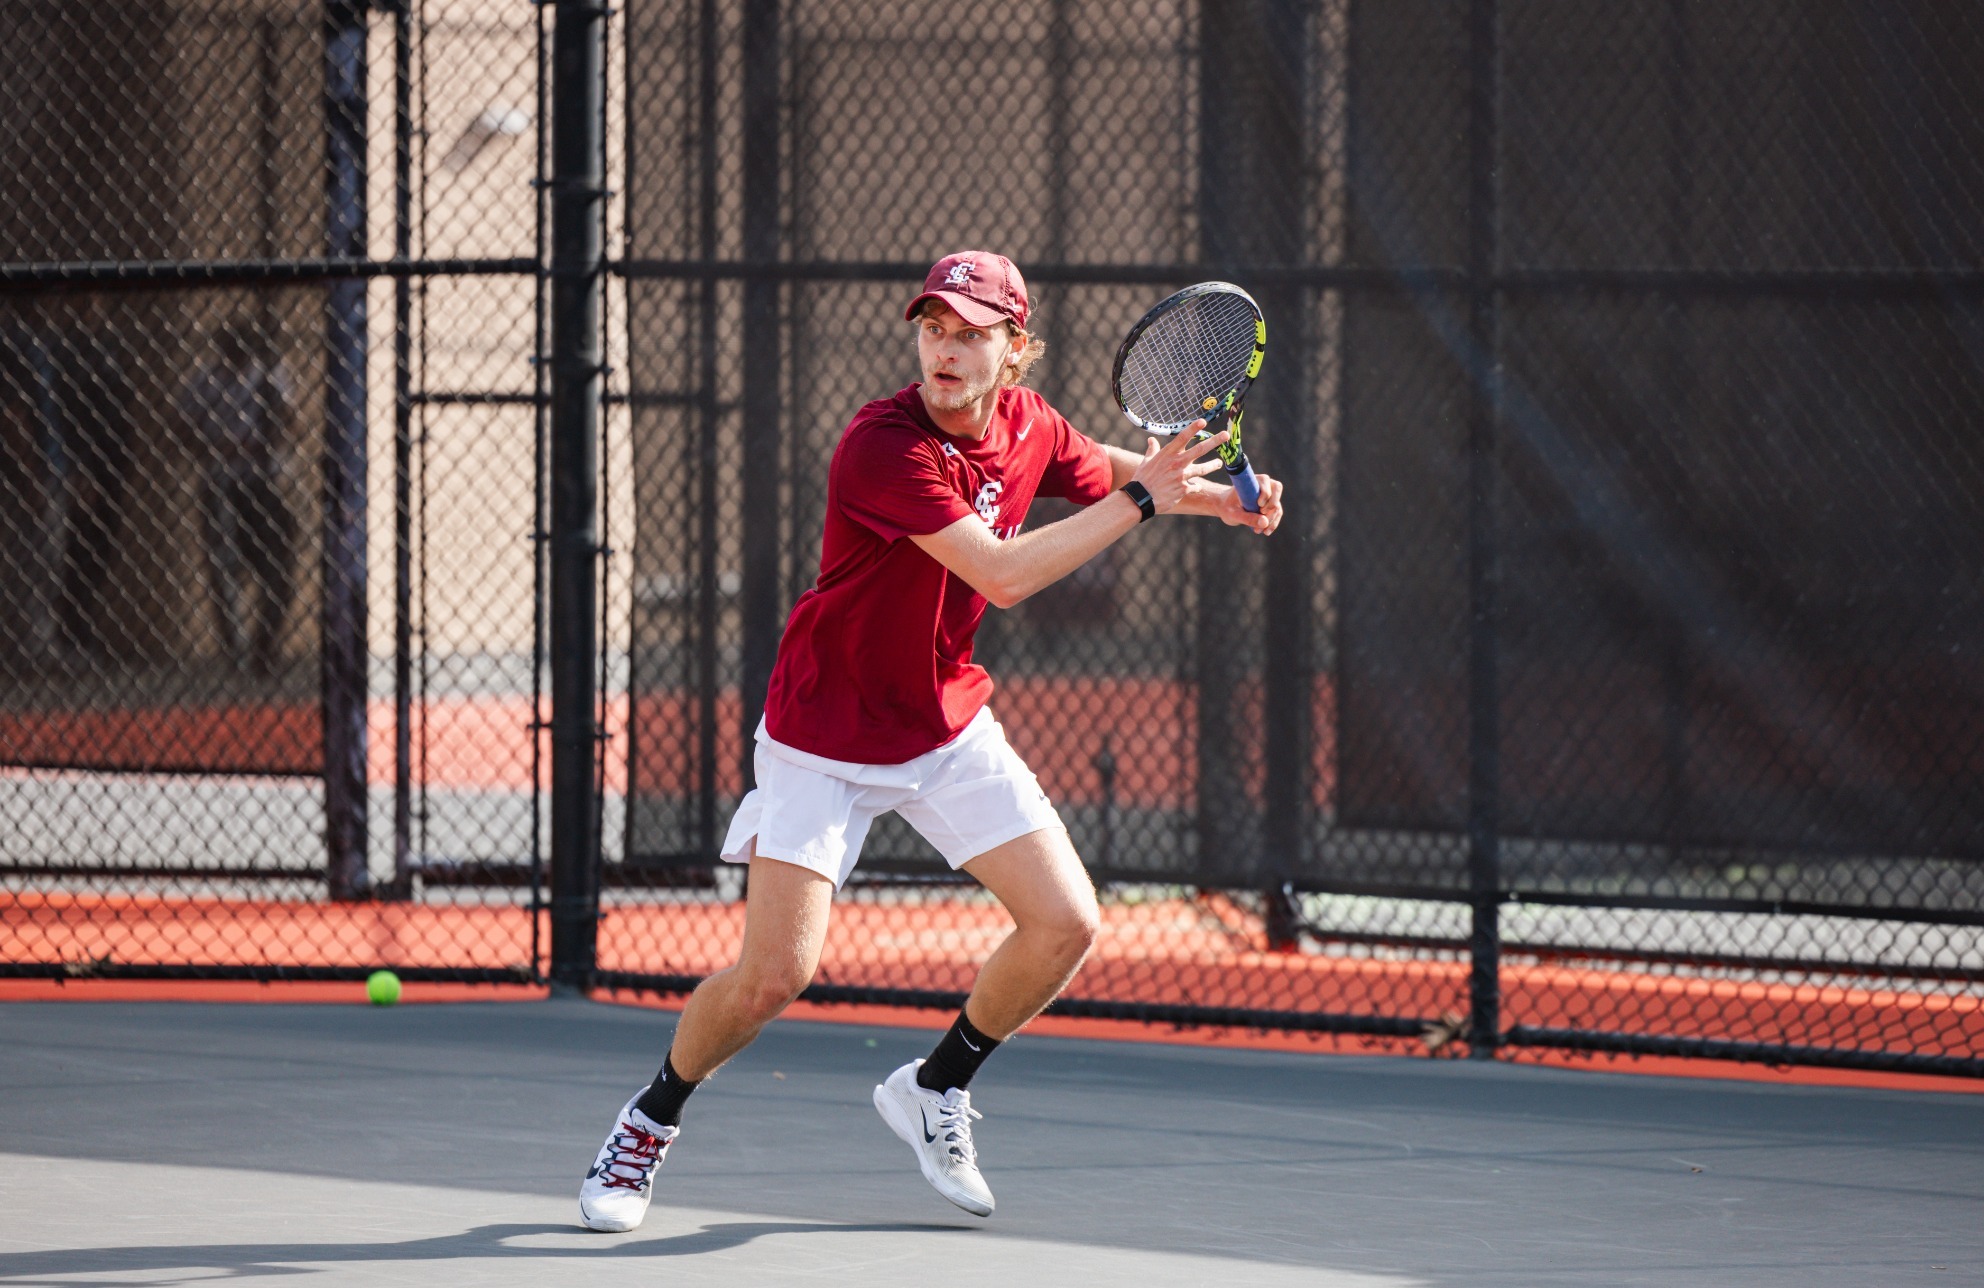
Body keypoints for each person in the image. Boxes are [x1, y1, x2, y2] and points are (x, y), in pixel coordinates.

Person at [579, 251, 1285, 1231]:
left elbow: (1110, 467)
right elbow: (1002, 573)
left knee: (1066, 923)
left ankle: (935, 1085)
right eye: (933, 329)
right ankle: (649, 1118)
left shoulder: (1030, 425)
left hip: (942, 724)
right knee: (774, 978)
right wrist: (1145, 501)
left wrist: (1213, 498)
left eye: (970, 334)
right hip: (824, 734)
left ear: (1015, 350)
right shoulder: (882, 445)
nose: (945, 351)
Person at [178, 318, 297, 673]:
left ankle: (264, 645)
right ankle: (236, 650)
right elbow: (182, 425)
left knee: (278, 562)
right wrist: (216, 447)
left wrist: (269, 433)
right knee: (224, 563)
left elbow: (290, 422)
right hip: (222, 480)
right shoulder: (207, 379)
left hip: (263, 481)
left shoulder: (269, 376)